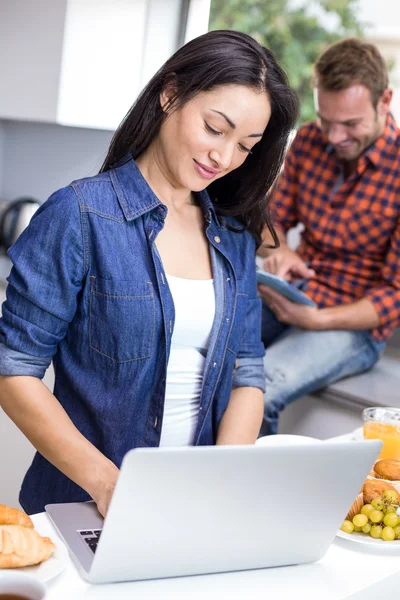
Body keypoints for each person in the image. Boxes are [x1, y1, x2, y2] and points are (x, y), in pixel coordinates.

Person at [0, 30, 298, 515]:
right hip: (84, 503)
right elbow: (12, 369)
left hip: (191, 508)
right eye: (214, 128)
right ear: (170, 94)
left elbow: (247, 369)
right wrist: (108, 485)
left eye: (246, 145)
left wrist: (224, 479)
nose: (224, 158)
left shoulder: (234, 233)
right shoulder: (80, 215)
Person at [257, 38, 400, 436]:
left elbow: (395, 295)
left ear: (384, 101)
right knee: (204, 351)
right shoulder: (307, 141)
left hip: (351, 325)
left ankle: (247, 497)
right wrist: (281, 251)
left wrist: (316, 320)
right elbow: (269, 220)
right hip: (296, 294)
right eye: (325, 120)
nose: (334, 136)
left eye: (350, 124)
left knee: (258, 388)